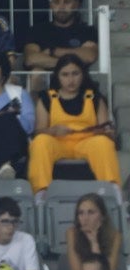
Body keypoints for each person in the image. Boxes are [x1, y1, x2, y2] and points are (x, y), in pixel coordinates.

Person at [30, 54, 118, 194]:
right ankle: (41, 193)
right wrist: (52, 131)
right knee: (40, 142)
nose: (70, 80)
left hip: (87, 143)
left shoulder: (94, 96)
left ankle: (112, 192)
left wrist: (102, 132)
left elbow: (107, 130)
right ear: (57, 76)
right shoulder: (47, 98)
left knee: (103, 142)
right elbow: (38, 132)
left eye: (75, 74)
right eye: (65, 75)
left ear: (83, 75)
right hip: (58, 143)